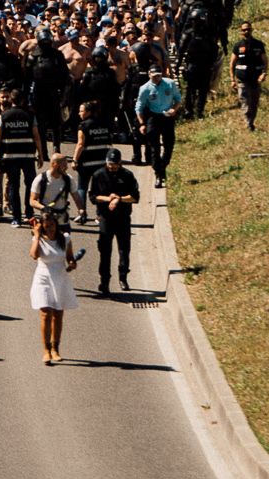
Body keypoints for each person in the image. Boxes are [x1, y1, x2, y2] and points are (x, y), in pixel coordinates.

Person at [0, 82, 43, 226]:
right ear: (23, 100)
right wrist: (40, 154)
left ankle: (16, 217)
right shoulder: (30, 115)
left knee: (13, 186)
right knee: (30, 185)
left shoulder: (4, 115)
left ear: (11, 100)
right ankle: (29, 215)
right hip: (28, 156)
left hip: (10, 157)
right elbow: (36, 135)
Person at [29, 206, 78, 364]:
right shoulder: (39, 239)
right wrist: (36, 236)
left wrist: (72, 264)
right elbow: (34, 255)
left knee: (57, 314)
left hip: (60, 278)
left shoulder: (65, 238)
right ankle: (46, 350)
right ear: (41, 225)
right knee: (45, 313)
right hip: (43, 278)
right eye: (46, 225)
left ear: (56, 225)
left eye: (52, 225)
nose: (49, 228)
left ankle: (55, 348)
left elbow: (70, 258)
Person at [90, 147, 139, 297]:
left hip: (123, 217)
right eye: (110, 164)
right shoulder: (98, 175)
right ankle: (104, 281)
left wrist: (119, 199)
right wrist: (108, 199)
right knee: (105, 251)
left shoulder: (128, 176)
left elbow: (135, 197)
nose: (112, 167)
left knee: (124, 249)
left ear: (120, 163)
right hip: (106, 218)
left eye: (115, 164)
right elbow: (93, 197)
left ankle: (123, 277)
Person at [134, 64, 182, 181]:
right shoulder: (145, 88)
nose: (156, 78)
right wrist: (142, 124)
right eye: (154, 76)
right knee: (154, 147)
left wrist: (174, 109)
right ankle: (158, 173)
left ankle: (162, 167)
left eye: (159, 76)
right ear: (149, 74)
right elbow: (139, 108)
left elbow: (178, 99)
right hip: (154, 117)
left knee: (169, 145)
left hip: (167, 117)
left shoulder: (170, 84)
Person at [229, 20, 268, 133]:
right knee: (244, 100)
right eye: (244, 30)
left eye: (248, 29)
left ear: (251, 30)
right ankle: (248, 122)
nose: (246, 31)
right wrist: (232, 79)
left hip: (255, 79)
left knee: (254, 102)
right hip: (242, 79)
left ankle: (251, 121)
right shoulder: (238, 46)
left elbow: (265, 60)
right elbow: (232, 63)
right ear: (241, 32)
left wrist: (264, 73)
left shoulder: (259, 45)